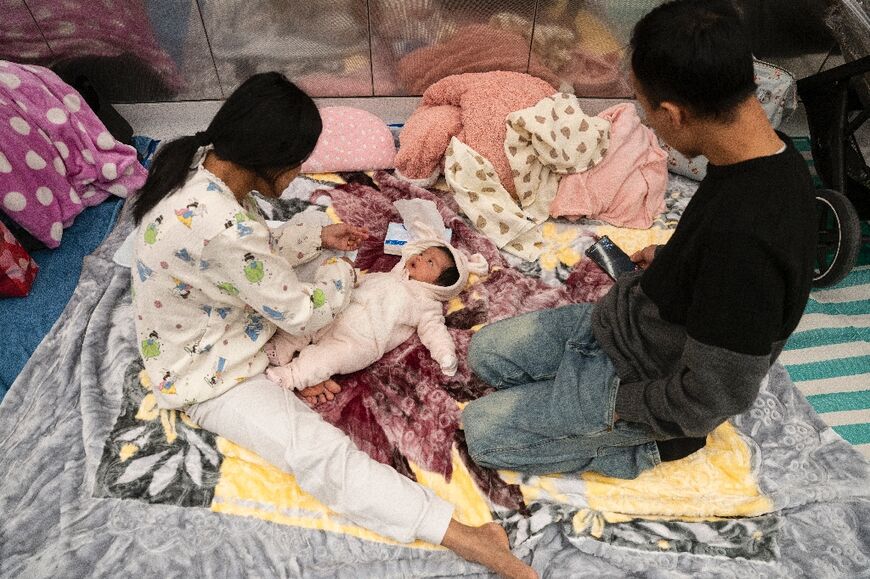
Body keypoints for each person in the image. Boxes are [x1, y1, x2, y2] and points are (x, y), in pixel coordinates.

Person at [131, 72, 536, 579]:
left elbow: (249, 251)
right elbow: (298, 307)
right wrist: (342, 275)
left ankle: (295, 363)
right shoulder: (221, 226)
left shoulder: (201, 165)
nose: (300, 172)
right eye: (298, 163)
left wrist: (316, 236)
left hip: (216, 317)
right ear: (273, 159)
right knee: (314, 450)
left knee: (314, 282)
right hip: (203, 371)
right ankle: (462, 534)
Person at [461, 0, 817, 478]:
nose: (645, 123)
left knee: (484, 433)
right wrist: (676, 258)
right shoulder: (765, 156)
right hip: (630, 326)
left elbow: (709, 398)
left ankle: (646, 449)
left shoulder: (747, 250)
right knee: (484, 355)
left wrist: (604, 403)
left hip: (655, 391)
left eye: (645, 110)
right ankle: (575, 396)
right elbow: (722, 254)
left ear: (674, 114)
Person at [265, 241, 487, 406]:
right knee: (311, 321)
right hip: (342, 311)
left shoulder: (427, 304)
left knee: (327, 357)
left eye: (430, 262)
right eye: (422, 254)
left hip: (361, 340)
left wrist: (445, 354)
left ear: (441, 285)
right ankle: (280, 348)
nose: (419, 258)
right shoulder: (388, 275)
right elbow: (361, 282)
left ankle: (291, 375)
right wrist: (349, 277)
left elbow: (434, 331)